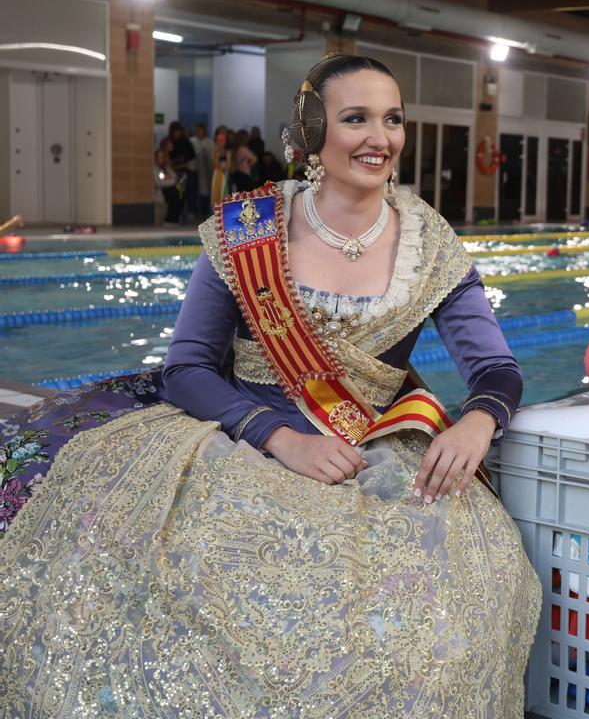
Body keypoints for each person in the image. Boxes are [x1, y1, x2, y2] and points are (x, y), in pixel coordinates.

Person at [0, 53, 540, 714]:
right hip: (242, 441)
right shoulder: (246, 227)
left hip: (370, 453)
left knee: (441, 606)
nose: (380, 137)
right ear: (313, 133)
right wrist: (280, 438)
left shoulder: (431, 243)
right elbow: (187, 367)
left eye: (392, 119)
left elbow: (495, 369)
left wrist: (478, 420)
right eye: (356, 119)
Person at [167, 121, 197, 221]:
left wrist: (181, 162)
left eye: (178, 131)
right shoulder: (170, 142)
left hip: (183, 171)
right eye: (175, 132)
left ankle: (184, 212)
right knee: (176, 193)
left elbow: (190, 156)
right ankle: (177, 212)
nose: (177, 134)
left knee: (183, 193)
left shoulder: (184, 142)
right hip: (173, 171)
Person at [192, 121, 214, 216]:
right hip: (194, 168)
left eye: (200, 130)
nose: (198, 131)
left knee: (205, 190)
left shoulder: (209, 142)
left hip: (206, 169)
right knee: (195, 190)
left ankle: (205, 210)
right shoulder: (192, 141)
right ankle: (195, 210)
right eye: (197, 130)